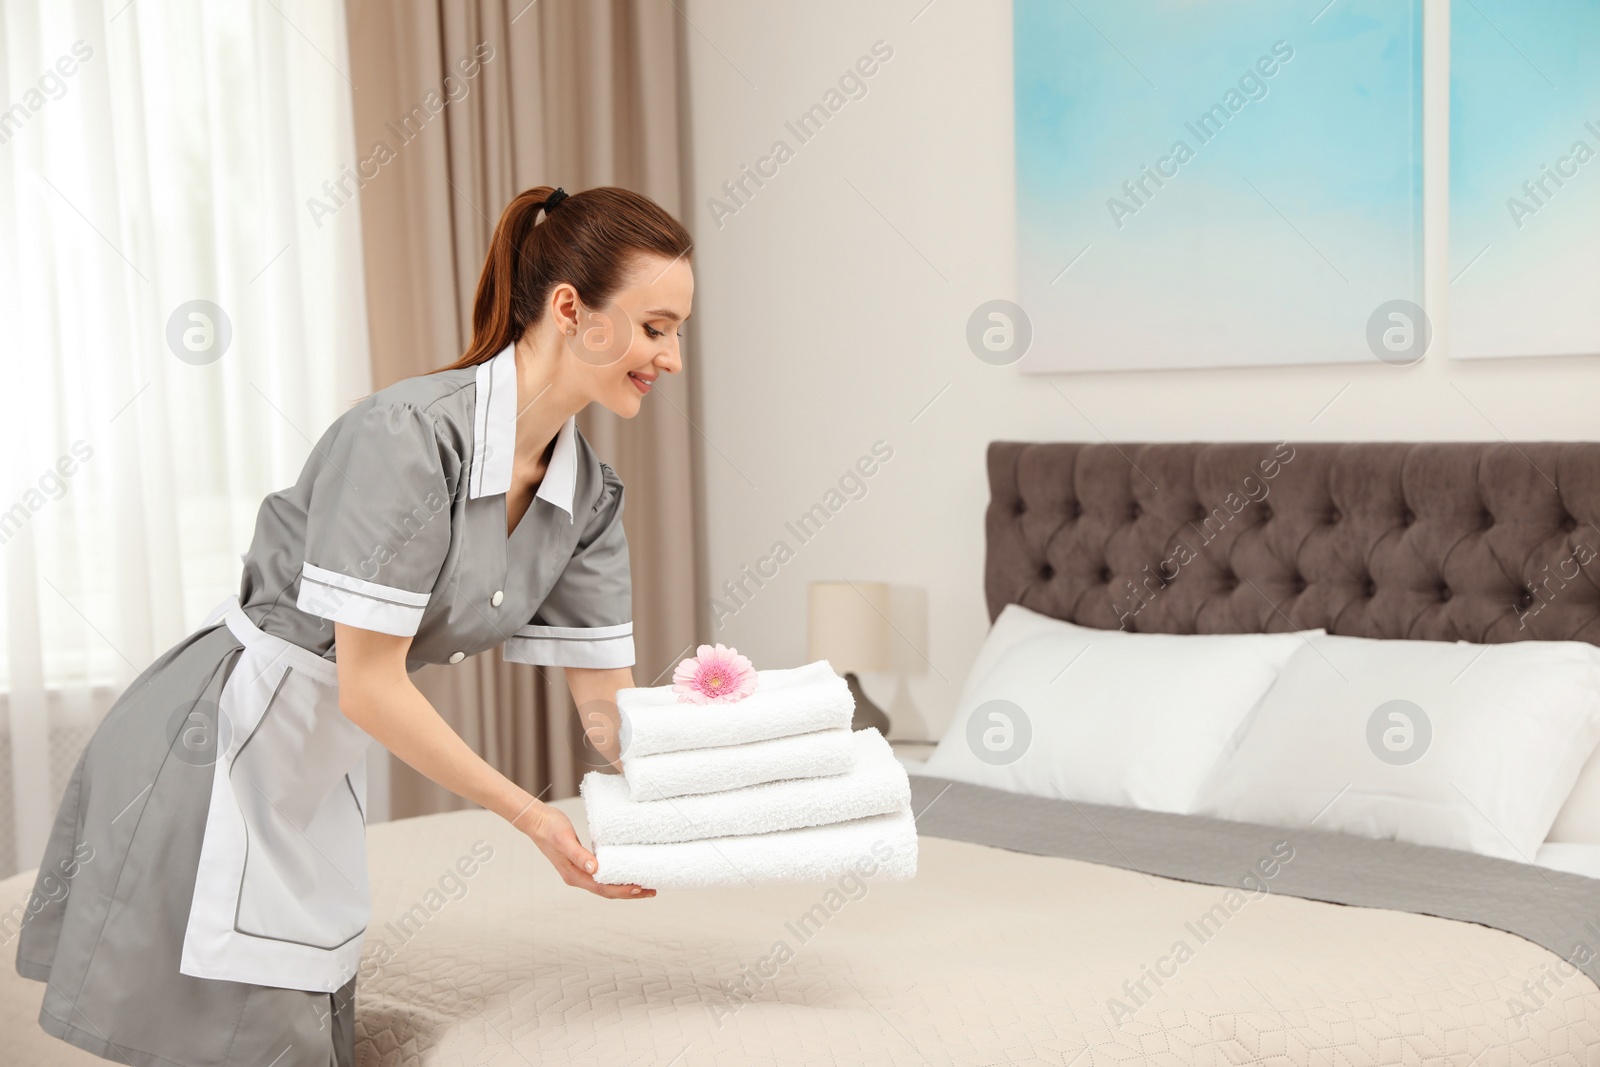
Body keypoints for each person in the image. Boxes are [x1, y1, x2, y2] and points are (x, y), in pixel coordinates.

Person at [13, 184, 694, 1067]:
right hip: (216, 748)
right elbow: (369, 683)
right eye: (655, 326)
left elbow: (608, 712)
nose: (672, 358)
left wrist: (712, 788)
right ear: (572, 309)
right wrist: (534, 819)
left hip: (314, 765)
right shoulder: (407, 435)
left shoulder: (587, 497)